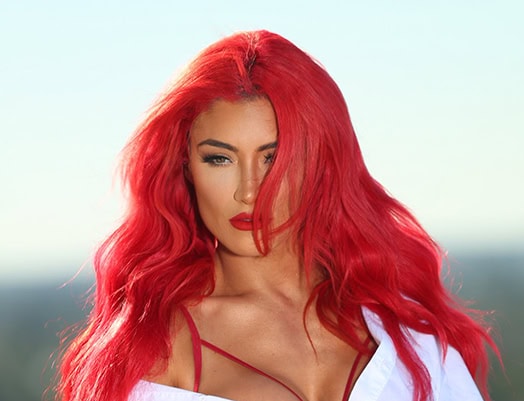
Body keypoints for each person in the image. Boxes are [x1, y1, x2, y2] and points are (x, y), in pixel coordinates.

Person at [57, 30, 498, 401]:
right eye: (219, 159)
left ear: (321, 162)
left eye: (274, 158)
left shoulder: (412, 339)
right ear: (185, 167)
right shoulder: (153, 353)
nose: (250, 190)